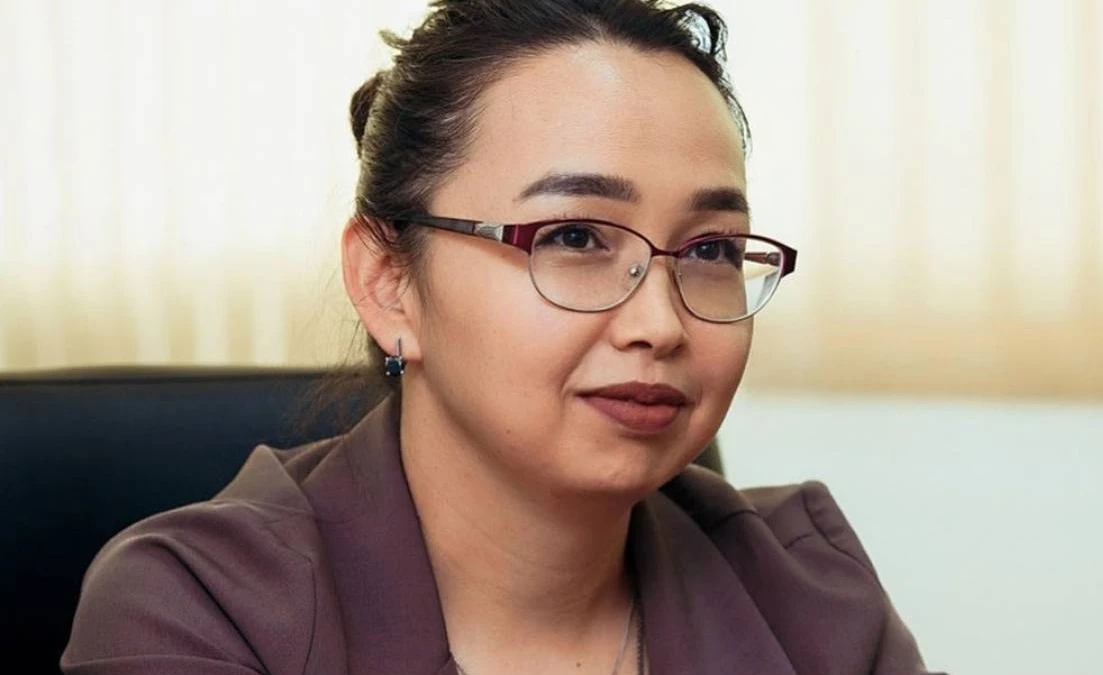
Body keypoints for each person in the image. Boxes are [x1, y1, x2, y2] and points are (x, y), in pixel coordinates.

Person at [62, 1, 937, 674]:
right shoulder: (197, 612)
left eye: (710, 250)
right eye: (575, 236)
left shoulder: (809, 593)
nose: (661, 325)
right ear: (389, 282)